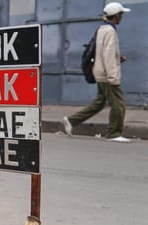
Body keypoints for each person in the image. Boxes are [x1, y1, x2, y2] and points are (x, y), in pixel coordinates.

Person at [63, 2, 131, 143]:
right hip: (107, 75)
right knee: (119, 104)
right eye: (121, 15)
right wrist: (113, 77)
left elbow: (102, 52)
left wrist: (118, 59)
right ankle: (113, 133)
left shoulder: (102, 28)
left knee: (99, 103)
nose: (122, 17)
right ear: (116, 16)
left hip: (100, 71)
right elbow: (107, 54)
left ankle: (71, 121)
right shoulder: (110, 31)